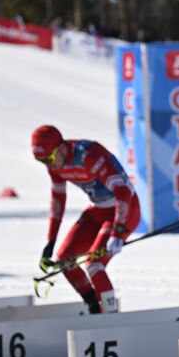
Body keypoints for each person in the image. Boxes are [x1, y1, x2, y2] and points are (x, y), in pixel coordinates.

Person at [31, 125, 139, 314]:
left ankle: (112, 319)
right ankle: (94, 308)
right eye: (42, 162)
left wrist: (118, 231)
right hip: (98, 210)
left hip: (124, 209)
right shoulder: (55, 164)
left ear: (61, 147)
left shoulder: (89, 155)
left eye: (49, 159)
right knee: (64, 260)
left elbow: (122, 192)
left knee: (94, 266)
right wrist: (51, 241)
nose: (49, 165)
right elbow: (58, 200)